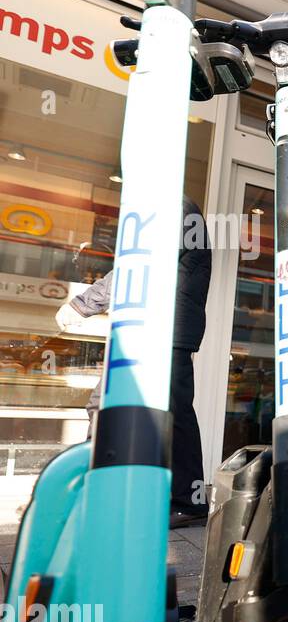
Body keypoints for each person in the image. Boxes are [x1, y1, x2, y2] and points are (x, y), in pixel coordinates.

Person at [56, 198, 212, 528]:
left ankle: (181, 499)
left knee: (138, 406)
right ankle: (109, 489)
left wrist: (85, 303)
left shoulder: (175, 205)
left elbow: (144, 264)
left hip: (164, 328)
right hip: (158, 326)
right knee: (136, 406)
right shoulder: (173, 207)